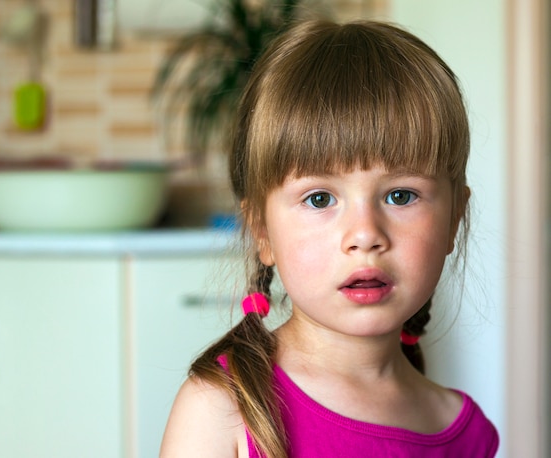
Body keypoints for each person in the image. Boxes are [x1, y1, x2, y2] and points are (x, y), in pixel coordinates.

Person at [160, 19, 499, 458]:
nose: (364, 235)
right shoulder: (221, 408)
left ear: (455, 217)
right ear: (261, 231)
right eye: (319, 199)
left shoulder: (465, 432)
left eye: (400, 195)